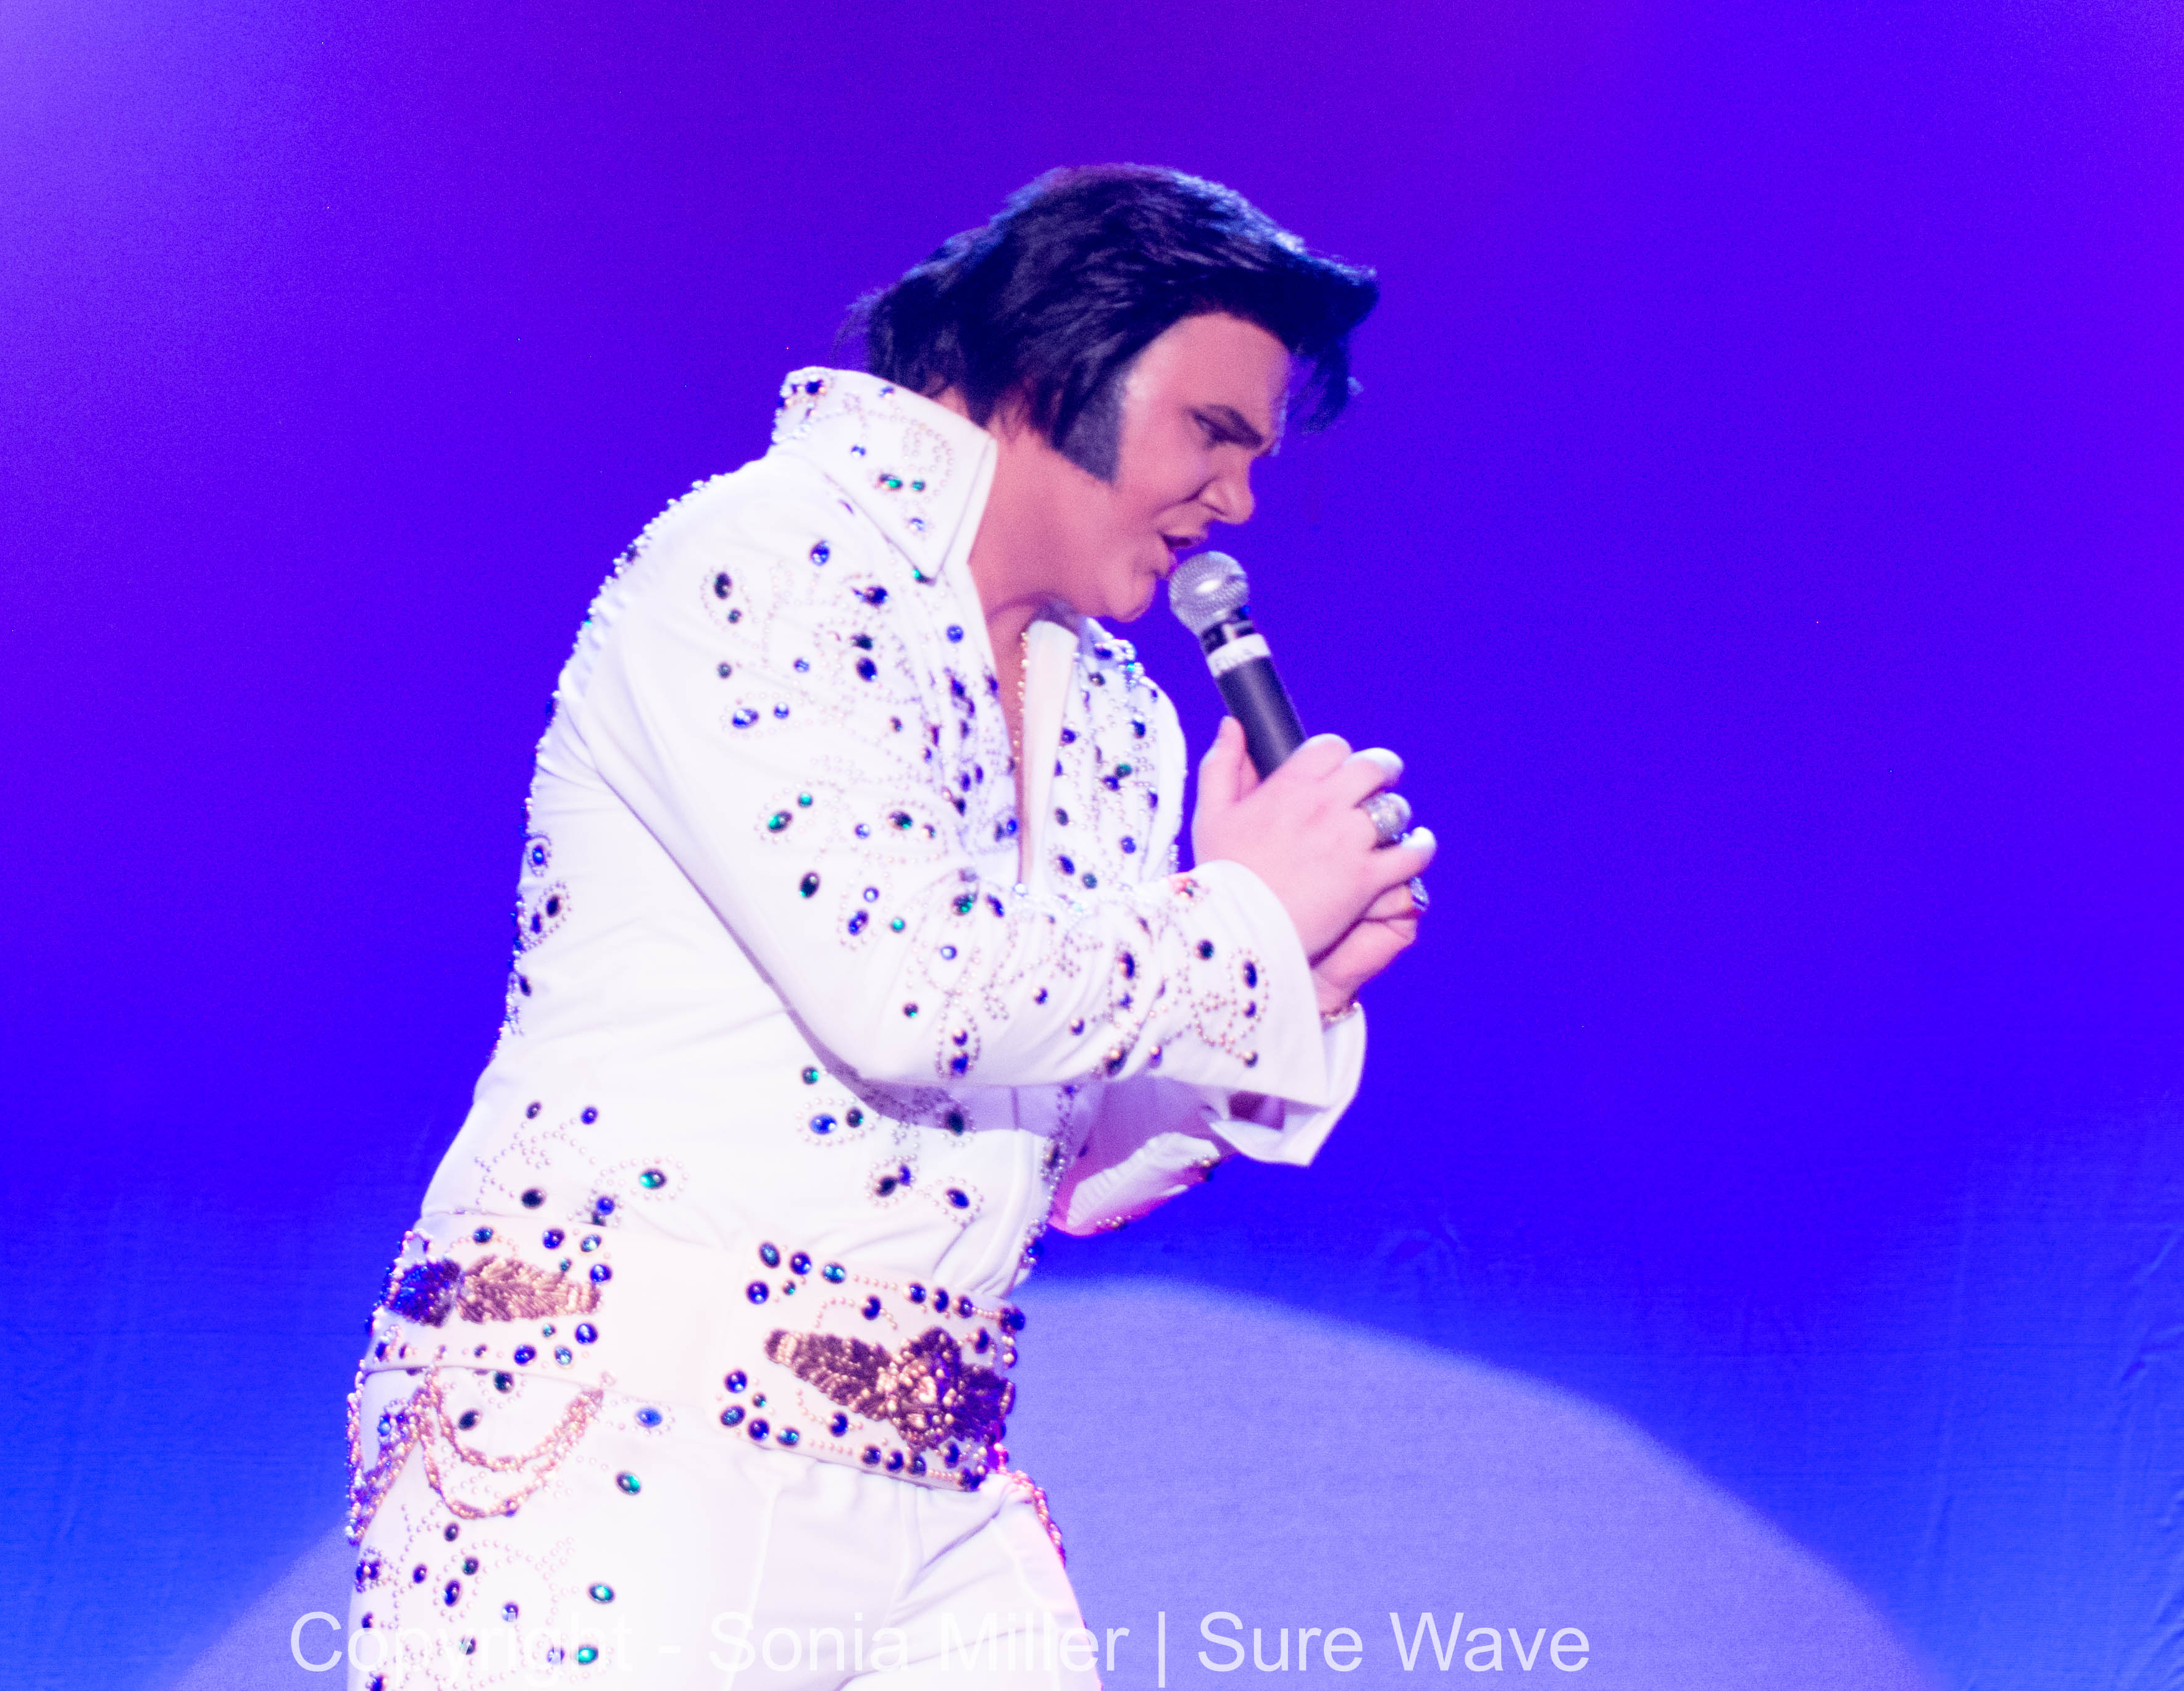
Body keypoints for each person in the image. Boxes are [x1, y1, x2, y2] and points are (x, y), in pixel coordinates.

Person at [339, 167, 1433, 1691]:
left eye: (1258, 454)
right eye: (1213, 431)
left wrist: (1283, 987)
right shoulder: (759, 557)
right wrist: (1235, 918)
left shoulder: (1117, 715)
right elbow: (908, 988)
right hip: (616, 1424)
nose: (1239, 499)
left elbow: (1067, 1160)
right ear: (1055, 362)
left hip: (937, 1477)